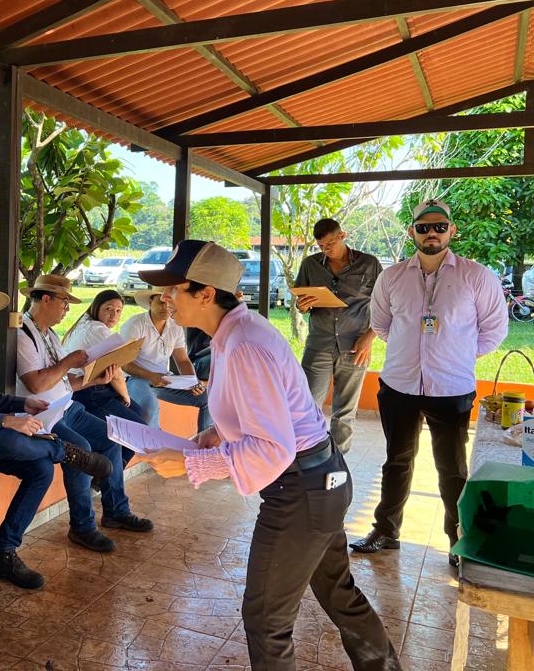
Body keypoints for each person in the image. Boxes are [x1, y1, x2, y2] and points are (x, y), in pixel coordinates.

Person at [140, 241, 400, 671]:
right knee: (339, 594)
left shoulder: (243, 344)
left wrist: (189, 463)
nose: (165, 298)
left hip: (301, 490)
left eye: (174, 289)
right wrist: (216, 434)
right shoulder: (234, 332)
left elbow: (272, 448)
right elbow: (271, 410)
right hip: (321, 481)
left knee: (266, 620)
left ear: (206, 294)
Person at [350, 199, 508, 566]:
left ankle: (457, 539)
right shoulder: (392, 277)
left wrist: (457, 355)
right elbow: (382, 324)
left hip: (451, 388)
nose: (431, 233)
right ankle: (386, 531)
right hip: (399, 385)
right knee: (396, 461)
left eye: (439, 227)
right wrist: (414, 354)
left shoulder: (476, 276)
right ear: (412, 233)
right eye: (423, 228)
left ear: (452, 230)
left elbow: (495, 329)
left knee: (451, 469)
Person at [0, 276, 112, 589]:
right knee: (15, 441)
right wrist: (5, 421)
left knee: (40, 470)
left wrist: (22, 404)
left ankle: (4, 552)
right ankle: (63, 451)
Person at [16, 274, 153, 553]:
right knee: (82, 449)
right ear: (45, 299)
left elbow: (63, 381)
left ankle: (116, 511)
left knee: (112, 438)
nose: (67, 308)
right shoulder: (23, 336)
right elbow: (36, 384)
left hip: (68, 407)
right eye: (64, 302)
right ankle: (82, 526)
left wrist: (93, 381)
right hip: (44, 416)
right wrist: (69, 361)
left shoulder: (49, 335)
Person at [294, 218, 382, 454]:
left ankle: (338, 460)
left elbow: (388, 305)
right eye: (322, 246)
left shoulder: (369, 264)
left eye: (331, 244)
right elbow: (300, 302)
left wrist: (369, 337)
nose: (327, 250)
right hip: (319, 344)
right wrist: (302, 306)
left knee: (345, 411)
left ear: (342, 235)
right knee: (307, 406)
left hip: (356, 347)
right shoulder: (310, 265)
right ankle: (307, 457)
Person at [63, 289, 146, 463]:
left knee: (138, 412)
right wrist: (125, 396)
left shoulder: (84, 323)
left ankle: (113, 469)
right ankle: (110, 471)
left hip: (90, 388)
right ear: (96, 308)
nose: (114, 315)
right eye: (108, 309)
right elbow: (116, 373)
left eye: (118, 310)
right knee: (139, 431)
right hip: (88, 391)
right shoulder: (97, 329)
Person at [120, 289, 207, 431]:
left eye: (169, 302)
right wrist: (150, 376)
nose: (165, 307)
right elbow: (125, 364)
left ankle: (203, 441)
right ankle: (154, 441)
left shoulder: (175, 325)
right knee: (150, 407)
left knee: (206, 398)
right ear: (150, 302)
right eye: (160, 302)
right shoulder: (135, 324)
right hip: (136, 379)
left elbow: (183, 361)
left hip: (164, 379)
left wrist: (192, 382)